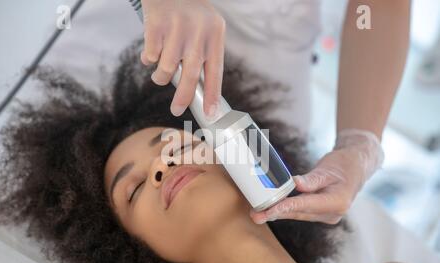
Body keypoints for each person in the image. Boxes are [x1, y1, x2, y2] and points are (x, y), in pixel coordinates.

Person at [0, 41, 436, 263]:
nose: (162, 164)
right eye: (135, 188)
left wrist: (360, 146)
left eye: (174, 143)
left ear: (237, 150)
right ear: (132, 258)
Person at [139, 0, 411, 224]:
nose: (162, 170)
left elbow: (383, 6)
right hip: (145, 59)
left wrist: (359, 144)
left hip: (278, 100)